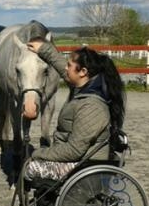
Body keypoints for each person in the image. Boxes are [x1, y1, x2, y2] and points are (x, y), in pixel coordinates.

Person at [23, 40, 126, 181]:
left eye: (69, 65)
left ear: (83, 72)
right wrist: (44, 49)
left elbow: (74, 150)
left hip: (83, 166)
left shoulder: (91, 105)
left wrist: (39, 153)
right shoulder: (84, 86)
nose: (66, 69)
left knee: (30, 168)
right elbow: (61, 67)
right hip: (79, 161)